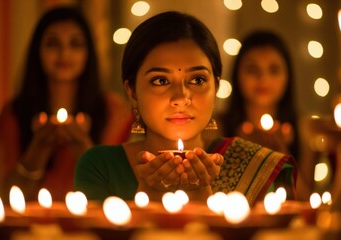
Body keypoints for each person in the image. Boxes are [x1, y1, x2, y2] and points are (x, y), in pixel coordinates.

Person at [74, 11, 296, 206]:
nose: (181, 97)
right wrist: (148, 192)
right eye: (160, 81)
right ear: (132, 91)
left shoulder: (258, 167)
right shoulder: (100, 166)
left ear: (216, 86)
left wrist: (203, 193)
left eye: (197, 80)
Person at [0, 6, 133, 201]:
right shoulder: (14, 113)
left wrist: (83, 146)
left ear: (89, 52)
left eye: (75, 44)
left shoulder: (114, 111)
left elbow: (117, 195)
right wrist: (40, 146)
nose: (64, 53)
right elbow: (9, 196)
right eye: (53, 43)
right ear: (37, 51)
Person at [221, 31, 300, 160]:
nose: (263, 78)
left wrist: (280, 152)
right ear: (237, 74)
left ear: (288, 76)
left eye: (274, 70)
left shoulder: (303, 131)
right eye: (252, 69)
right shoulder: (217, 128)